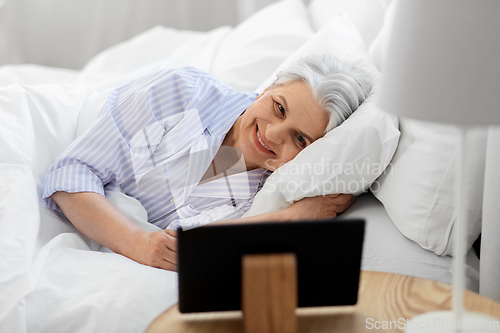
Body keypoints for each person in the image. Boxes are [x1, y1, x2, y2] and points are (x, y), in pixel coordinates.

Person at [43, 53, 372, 272]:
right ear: (267, 89)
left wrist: (293, 217)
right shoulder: (181, 91)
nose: (272, 134)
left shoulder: (270, 194)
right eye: (279, 107)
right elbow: (72, 173)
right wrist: (138, 243)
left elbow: (195, 250)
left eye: (300, 139)